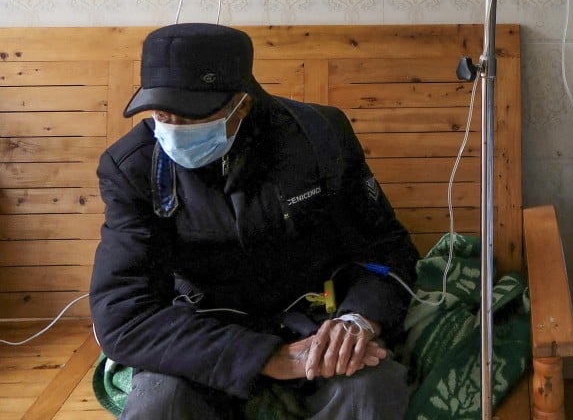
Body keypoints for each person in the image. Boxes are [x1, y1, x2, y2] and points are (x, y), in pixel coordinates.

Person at [89, 23, 419, 419]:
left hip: (316, 320)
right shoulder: (132, 167)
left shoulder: (320, 137)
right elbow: (124, 312)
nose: (173, 129)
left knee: (370, 389)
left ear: (240, 104)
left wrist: (358, 319)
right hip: (202, 331)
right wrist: (265, 357)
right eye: (161, 114)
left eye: (192, 117)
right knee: (161, 403)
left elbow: (384, 249)